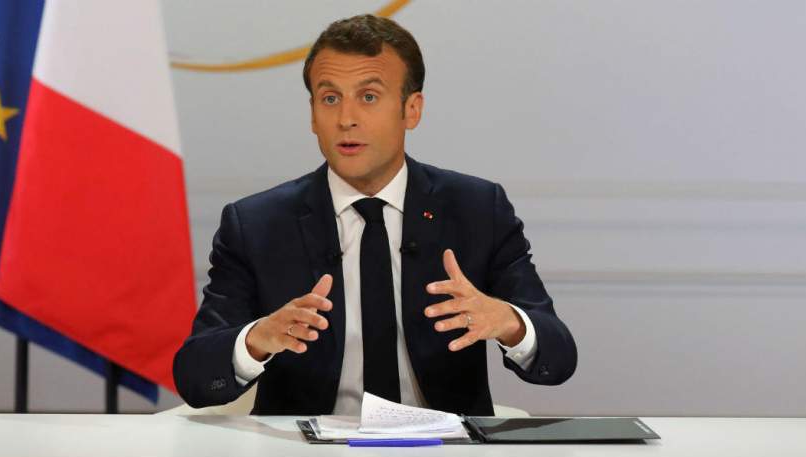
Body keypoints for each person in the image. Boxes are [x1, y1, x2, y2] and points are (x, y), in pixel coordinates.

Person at [173, 14, 576, 415]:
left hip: (443, 450)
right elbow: (194, 377)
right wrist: (256, 340)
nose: (346, 119)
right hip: (303, 452)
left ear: (411, 110)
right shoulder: (257, 225)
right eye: (330, 98)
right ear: (313, 114)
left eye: (368, 97)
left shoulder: (477, 210)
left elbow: (558, 358)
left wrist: (509, 322)